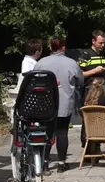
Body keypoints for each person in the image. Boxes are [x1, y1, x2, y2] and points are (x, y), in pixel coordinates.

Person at [34, 37, 85, 172]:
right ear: (63, 47)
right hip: (64, 103)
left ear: (51, 48)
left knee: (46, 133)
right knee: (62, 132)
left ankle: (44, 163)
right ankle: (62, 163)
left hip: (46, 104)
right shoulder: (71, 63)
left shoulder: (41, 63)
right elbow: (80, 80)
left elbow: (34, 80)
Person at [78, 30, 105, 151]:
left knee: (101, 117)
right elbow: (79, 74)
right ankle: (87, 145)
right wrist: (94, 71)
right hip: (89, 92)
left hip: (102, 91)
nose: (102, 45)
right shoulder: (86, 55)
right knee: (89, 118)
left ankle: (97, 145)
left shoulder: (104, 55)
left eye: (104, 43)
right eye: (100, 43)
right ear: (93, 41)